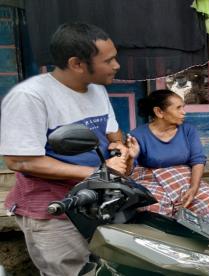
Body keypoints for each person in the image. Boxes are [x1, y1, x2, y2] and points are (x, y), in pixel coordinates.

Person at [0, 22, 129, 276]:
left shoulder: (97, 89)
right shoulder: (31, 96)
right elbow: (20, 162)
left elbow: (112, 132)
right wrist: (96, 172)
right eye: (109, 60)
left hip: (95, 203)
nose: (117, 65)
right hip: (55, 210)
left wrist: (120, 147)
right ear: (77, 64)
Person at [128, 89, 209, 223]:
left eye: (183, 107)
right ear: (159, 112)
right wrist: (129, 157)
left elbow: (198, 159)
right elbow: (127, 171)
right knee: (152, 208)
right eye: (178, 108)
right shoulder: (138, 135)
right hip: (150, 179)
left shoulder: (187, 130)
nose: (183, 112)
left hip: (183, 177)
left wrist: (194, 187)